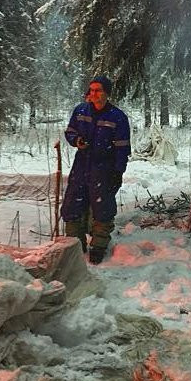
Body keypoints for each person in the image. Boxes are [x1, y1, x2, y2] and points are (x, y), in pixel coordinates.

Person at [61, 75, 131, 264]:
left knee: (102, 207)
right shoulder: (80, 111)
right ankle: (75, 245)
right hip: (81, 165)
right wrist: (76, 141)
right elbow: (70, 131)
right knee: (72, 204)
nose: (94, 94)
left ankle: (98, 246)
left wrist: (118, 172)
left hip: (104, 168)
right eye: (91, 90)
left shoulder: (118, 117)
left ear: (107, 93)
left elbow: (123, 148)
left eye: (98, 90)